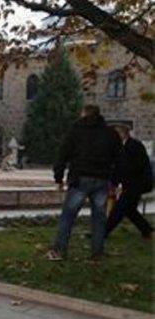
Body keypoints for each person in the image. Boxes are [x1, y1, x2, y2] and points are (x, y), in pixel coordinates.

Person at [47, 104, 121, 262]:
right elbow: (119, 160)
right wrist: (114, 181)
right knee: (99, 218)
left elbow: (62, 155)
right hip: (102, 179)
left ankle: (59, 250)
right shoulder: (110, 134)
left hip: (80, 178)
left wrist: (58, 178)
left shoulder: (75, 132)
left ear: (84, 114)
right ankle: (97, 253)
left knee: (68, 216)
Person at [106, 123, 153, 239]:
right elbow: (117, 167)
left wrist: (117, 182)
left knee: (119, 208)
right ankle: (147, 230)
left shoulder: (134, 146)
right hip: (131, 183)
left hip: (138, 183)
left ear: (123, 133)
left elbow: (132, 167)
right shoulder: (120, 147)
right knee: (129, 210)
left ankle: (103, 232)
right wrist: (114, 182)